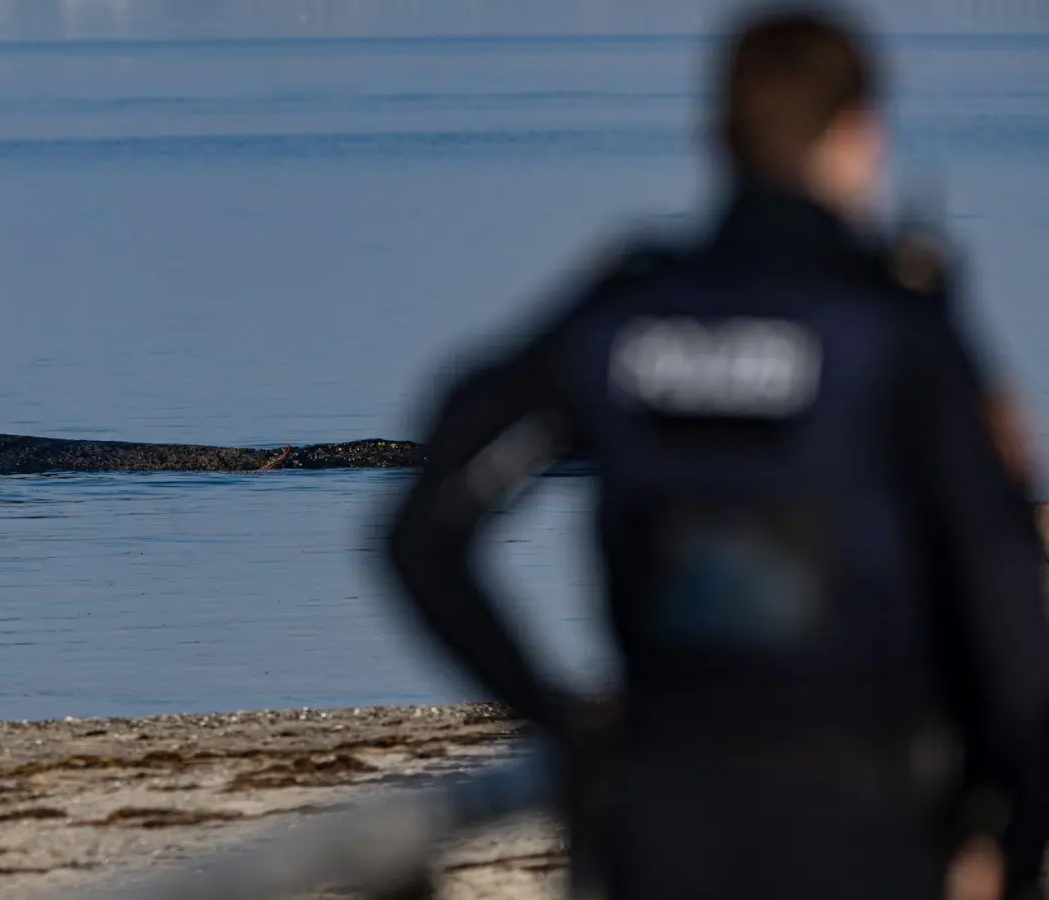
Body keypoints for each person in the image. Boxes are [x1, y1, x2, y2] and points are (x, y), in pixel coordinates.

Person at [379, 6, 1049, 900]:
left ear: (720, 136)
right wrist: (1014, 831)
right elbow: (1002, 608)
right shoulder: (891, 332)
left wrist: (562, 723)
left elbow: (422, 535)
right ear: (861, 137)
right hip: (863, 820)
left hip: (660, 816)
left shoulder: (623, 314)